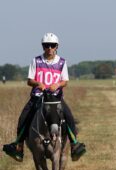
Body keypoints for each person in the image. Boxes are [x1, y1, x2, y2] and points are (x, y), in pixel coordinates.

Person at [3, 33, 86, 162]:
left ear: (56, 46)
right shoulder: (36, 61)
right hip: (38, 97)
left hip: (55, 98)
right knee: (23, 117)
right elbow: (29, 81)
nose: (49, 48)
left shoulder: (62, 62)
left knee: (68, 116)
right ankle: (18, 146)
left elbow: (65, 81)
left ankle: (74, 144)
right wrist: (38, 83)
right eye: (46, 45)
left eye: (52, 45)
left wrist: (57, 84)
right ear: (43, 46)